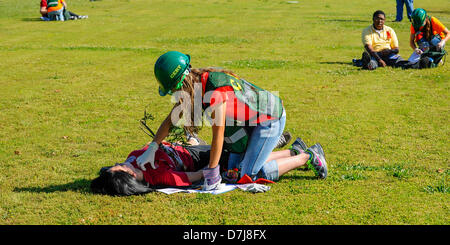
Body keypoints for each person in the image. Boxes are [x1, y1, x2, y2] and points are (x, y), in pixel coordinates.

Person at [135, 51, 327, 191]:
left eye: (173, 91)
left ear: (181, 84)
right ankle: (294, 151)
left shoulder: (215, 91)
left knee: (247, 176)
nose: (175, 97)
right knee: (232, 172)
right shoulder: (197, 83)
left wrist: (211, 173)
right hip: (248, 123)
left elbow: (218, 135)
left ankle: (308, 157)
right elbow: (169, 121)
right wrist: (153, 147)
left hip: (269, 118)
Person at [91, 138, 326, 196]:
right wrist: (218, 174)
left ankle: (297, 153)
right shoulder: (160, 177)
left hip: (194, 149)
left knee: (249, 162)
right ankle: (302, 154)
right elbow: (195, 175)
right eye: (118, 168)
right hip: (201, 158)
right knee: (249, 170)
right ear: (129, 176)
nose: (118, 163)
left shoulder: (135, 160)